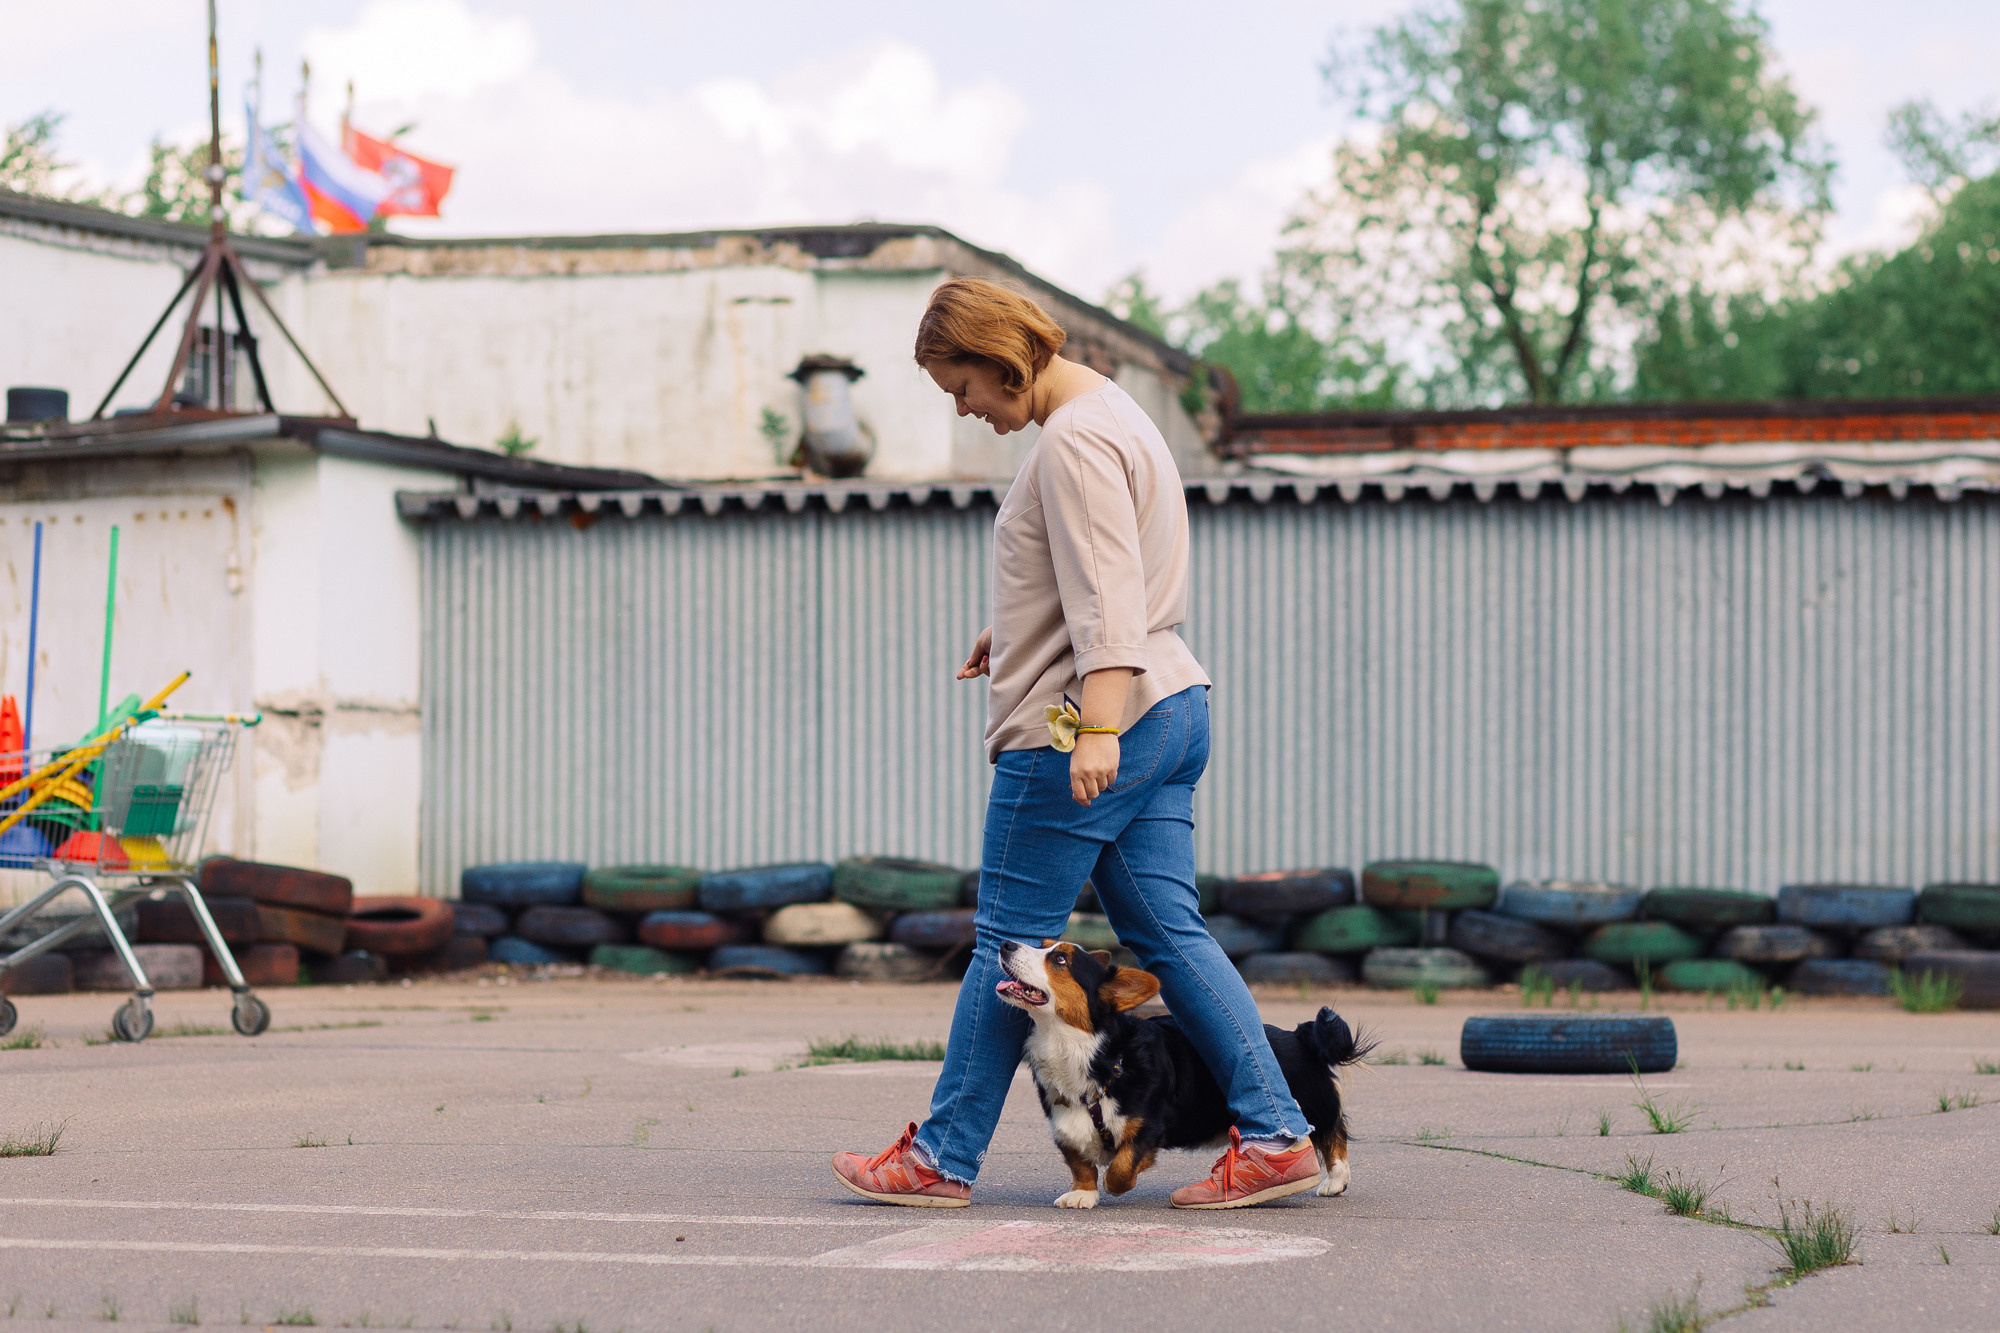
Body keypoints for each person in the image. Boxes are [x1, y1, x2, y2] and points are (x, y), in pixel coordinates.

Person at [830, 277, 1318, 1210]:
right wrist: (1012, 632)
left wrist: (1094, 725)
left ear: (1000, 355)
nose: (966, 407)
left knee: (1006, 946)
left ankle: (940, 1157)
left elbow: (1108, 600)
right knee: (1171, 936)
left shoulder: (1073, 441)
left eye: (961, 385)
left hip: (1095, 723)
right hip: (1171, 702)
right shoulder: (1118, 413)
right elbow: (1100, 570)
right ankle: (1277, 1133)